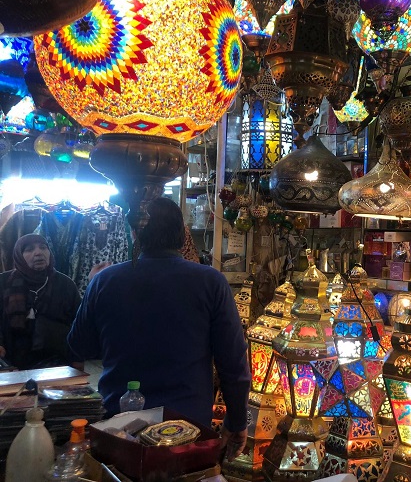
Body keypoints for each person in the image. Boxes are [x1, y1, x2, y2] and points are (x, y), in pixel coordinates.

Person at [68, 197, 251, 461]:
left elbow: (80, 346)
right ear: (183, 236)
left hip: (119, 426)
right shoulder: (210, 282)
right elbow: (233, 362)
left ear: (134, 233)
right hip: (187, 429)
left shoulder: (105, 280)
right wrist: (236, 421)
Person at [0, 234, 81, 369]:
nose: (38, 253)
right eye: (29, 249)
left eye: (43, 247)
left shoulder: (65, 284)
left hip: (56, 362)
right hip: (10, 360)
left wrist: (77, 359)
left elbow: (78, 324)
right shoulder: (3, 282)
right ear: (19, 256)